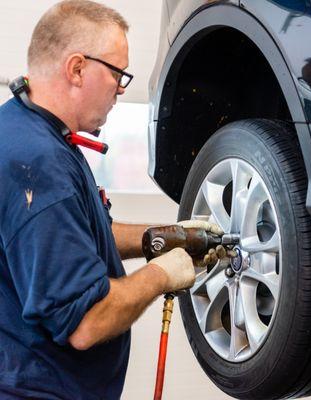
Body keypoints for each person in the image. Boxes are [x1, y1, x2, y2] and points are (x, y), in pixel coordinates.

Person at [0, 1, 214, 398]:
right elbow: (86, 322)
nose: (120, 87)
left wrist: (163, 236)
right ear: (77, 68)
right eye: (118, 73)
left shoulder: (27, 131)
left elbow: (73, 239)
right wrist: (160, 275)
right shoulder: (37, 162)